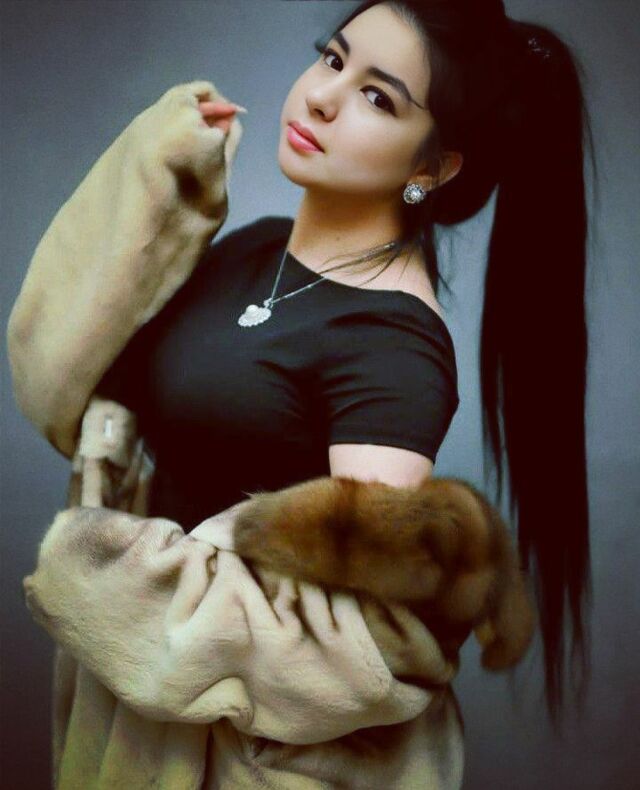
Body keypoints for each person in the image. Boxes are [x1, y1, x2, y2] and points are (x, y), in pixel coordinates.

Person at [9, 0, 594, 785]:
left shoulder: (394, 349)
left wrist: (111, 586)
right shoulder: (258, 248)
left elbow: (357, 651)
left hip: (245, 762)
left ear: (433, 168)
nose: (322, 96)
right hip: (138, 726)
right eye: (332, 58)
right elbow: (67, 385)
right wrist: (156, 180)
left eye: (378, 97)